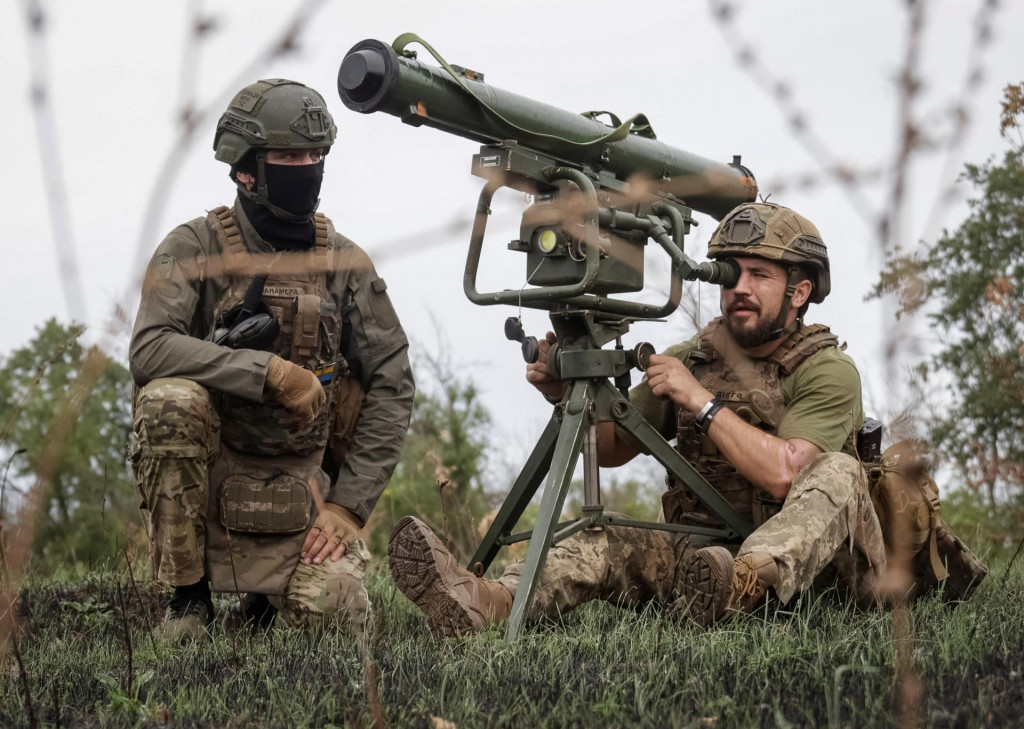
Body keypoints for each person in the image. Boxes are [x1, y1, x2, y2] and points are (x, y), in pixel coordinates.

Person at [388, 202, 983, 638]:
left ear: (799, 293)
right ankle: (486, 602)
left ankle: (745, 585)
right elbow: (615, 445)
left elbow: (787, 473)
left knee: (838, 472)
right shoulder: (697, 356)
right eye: (730, 274)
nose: (738, 290)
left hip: (824, 571)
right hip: (706, 556)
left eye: (759, 276)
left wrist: (700, 401)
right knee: (602, 535)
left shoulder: (828, 371)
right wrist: (566, 394)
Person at [129, 79, 414, 639]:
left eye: (316, 156)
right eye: (288, 156)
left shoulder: (345, 263)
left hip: (305, 492)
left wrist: (348, 508)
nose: (306, 167)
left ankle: (263, 603)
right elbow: (149, 347)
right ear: (244, 169)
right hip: (213, 473)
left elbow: (393, 383)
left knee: (341, 617)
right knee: (169, 399)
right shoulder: (194, 247)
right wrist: (269, 373)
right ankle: (189, 600)